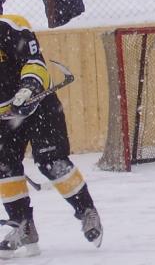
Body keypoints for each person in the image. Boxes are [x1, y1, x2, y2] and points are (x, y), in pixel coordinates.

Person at [0, 13, 103, 258]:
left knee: (50, 162)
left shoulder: (11, 25)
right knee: (4, 168)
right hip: (5, 117)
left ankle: (86, 210)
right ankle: (22, 226)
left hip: (40, 106)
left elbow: (35, 62)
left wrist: (29, 87)